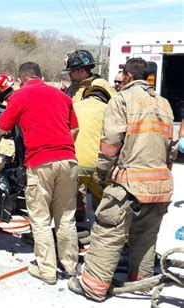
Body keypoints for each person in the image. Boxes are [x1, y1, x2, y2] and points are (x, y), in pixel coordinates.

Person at [68, 58, 178, 302]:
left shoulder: (122, 99)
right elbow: (171, 147)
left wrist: (102, 172)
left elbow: (111, 143)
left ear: (128, 75)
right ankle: (140, 281)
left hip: (130, 182)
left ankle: (93, 287)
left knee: (108, 231)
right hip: (160, 183)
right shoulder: (164, 104)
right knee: (146, 235)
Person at [0, 62, 79, 285]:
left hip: (40, 163)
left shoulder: (20, 96)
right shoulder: (62, 96)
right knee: (66, 217)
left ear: (21, 80)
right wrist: (62, 148)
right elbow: (75, 128)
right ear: (41, 77)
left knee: (41, 220)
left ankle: (47, 271)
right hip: (69, 160)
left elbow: (2, 128)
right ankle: (71, 266)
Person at [63, 49, 115, 220]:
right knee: (74, 193)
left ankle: (105, 229)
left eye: (71, 71)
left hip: (96, 147)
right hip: (75, 147)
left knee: (101, 194)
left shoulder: (101, 87)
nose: (69, 75)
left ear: (81, 70)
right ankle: (78, 223)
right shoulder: (72, 88)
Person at [74, 81, 115, 215]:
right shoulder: (109, 110)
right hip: (98, 166)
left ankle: (78, 217)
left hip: (74, 163)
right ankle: (100, 226)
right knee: (102, 200)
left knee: (74, 195)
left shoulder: (74, 106)